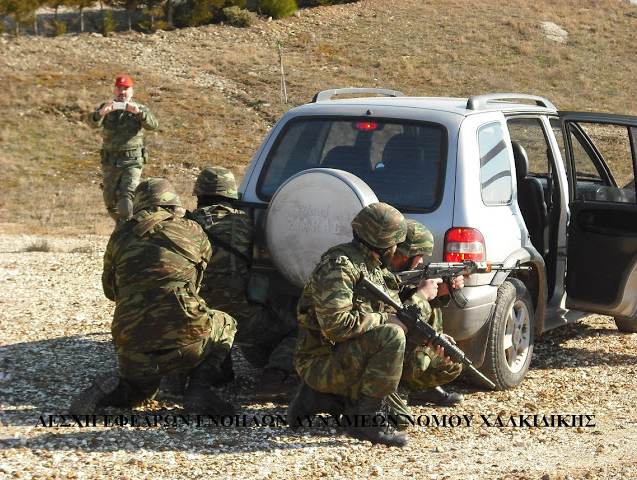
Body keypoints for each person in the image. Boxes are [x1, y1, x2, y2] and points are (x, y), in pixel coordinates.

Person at [70, 178, 236, 414]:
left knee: (141, 392)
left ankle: (117, 390)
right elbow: (198, 278)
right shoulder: (191, 229)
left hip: (131, 345)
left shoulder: (120, 236)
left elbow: (110, 291)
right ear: (173, 206)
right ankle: (199, 389)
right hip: (186, 341)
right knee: (226, 322)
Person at [288, 202, 411, 447]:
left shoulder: (375, 269)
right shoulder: (339, 266)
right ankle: (364, 421)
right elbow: (336, 326)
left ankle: (320, 398)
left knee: (402, 419)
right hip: (318, 361)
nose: (396, 249)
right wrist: (385, 320)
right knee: (392, 335)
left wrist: (431, 339)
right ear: (384, 244)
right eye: (395, 243)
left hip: (342, 356)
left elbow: (396, 313)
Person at [187, 167, 298, 402]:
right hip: (242, 319)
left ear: (199, 196)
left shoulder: (186, 227)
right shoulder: (245, 222)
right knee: (298, 326)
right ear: (231, 197)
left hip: (198, 320)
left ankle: (217, 369)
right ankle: (273, 379)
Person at [388, 219, 464, 406]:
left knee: (452, 363)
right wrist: (422, 295)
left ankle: (420, 390)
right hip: (383, 353)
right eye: (419, 254)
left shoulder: (400, 274)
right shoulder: (380, 276)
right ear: (405, 253)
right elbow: (392, 318)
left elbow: (404, 301)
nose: (421, 260)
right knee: (437, 358)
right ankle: (392, 391)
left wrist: (441, 294)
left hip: (404, 345)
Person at [87, 75, 158, 225]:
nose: (122, 92)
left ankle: (129, 229)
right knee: (110, 201)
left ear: (132, 91)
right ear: (114, 90)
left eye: (126, 89)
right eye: (119, 88)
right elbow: (92, 123)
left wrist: (139, 113)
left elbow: (153, 125)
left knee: (127, 195)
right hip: (110, 161)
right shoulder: (106, 107)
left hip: (132, 161)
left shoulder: (139, 109)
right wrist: (101, 114)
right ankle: (122, 228)